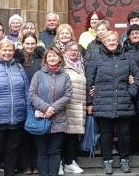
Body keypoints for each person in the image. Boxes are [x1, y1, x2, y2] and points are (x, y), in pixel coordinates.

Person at [86, 32, 139, 174]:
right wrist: (90, 102)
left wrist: (131, 92)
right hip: (103, 102)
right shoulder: (96, 58)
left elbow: (137, 78)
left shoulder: (127, 57)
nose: (111, 42)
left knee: (124, 134)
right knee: (106, 134)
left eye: (114, 40)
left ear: (118, 41)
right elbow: (89, 81)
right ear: (103, 42)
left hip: (124, 102)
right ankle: (107, 162)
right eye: (108, 40)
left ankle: (124, 160)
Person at [0, 39, 29, 176]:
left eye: (10, 50)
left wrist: (27, 114)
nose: (7, 53)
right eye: (4, 50)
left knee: (12, 150)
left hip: (16, 118)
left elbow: (26, 92)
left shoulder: (20, 68)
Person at [29, 48, 73, 176]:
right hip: (41, 119)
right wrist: (45, 108)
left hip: (58, 118)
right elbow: (32, 94)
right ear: (45, 59)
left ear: (60, 58)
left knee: (55, 150)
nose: (52, 58)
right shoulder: (38, 75)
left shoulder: (65, 76)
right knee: (42, 150)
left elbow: (67, 95)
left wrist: (52, 108)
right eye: (50, 56)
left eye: (55, 56)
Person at [17, 33, 44, 175]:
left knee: (37, 133)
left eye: (32, 43)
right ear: (22, 44)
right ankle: (26, 165)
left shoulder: (41, 58)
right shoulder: (18, 59)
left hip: (38, 100)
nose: (29, 46)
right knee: (24, 134)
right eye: (27, 43)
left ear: (36, 43)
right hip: (22, 99)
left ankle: (36, 163)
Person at [61, 41, 87, 174]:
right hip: (66, 106)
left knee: (72, 136)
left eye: (76, 50)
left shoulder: (82, 66)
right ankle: (61, 162)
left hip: (79, 106)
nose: (73, 52)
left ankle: (70, 162)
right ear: (65, 52)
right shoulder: (62, 66)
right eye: (70, 50)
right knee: (62, 135)